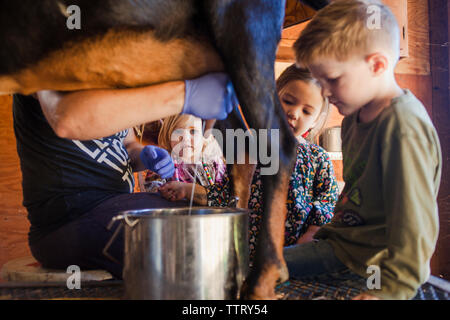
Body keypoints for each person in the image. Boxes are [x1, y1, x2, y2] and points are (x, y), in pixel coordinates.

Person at [284, 0, 442, 300]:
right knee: (260, 270)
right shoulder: (352, 120)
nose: (326, 93)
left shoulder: (403, 127)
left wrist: (390, 291)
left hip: (371, 263)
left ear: (377, 65)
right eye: (321, 82)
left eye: (332, 80)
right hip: (337, 248)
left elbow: (415, 229)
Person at [13, 72, 237, 279]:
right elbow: (66, 120)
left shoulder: (112, 75)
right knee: (186, 240)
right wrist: (185, 95)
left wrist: (146, 155)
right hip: (69, 219)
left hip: (115, 203)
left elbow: (128, 144)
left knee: (215, 226)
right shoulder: (47, 58)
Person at [162, 64, 339, 265]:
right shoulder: (250, 150)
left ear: (316, 120)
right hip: (248, 257)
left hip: (294, 256)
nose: (294, 113)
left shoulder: (318, 159)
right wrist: (188, 190)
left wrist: (313, 233)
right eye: (288, 101)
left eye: (307, 111)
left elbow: (327, 202)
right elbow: (228, 195)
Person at [141, 114, 227, 198]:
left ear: (204, 137)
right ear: (168, 136)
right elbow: (152, 189)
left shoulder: (215, 162)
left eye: (193, 131)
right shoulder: (164, 162)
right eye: (178, 132)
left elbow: (226, 192)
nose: (185, 138)